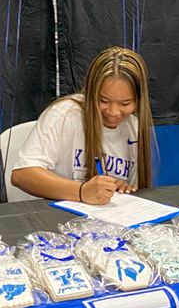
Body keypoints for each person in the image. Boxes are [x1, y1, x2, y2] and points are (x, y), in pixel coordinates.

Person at [11, 47, 154, 204]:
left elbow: (132, 190)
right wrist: (81, 191)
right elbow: (22, 175)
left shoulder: (133, 128)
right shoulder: (65, 114)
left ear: (139, 101)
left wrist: (118, 189)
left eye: (125, 103)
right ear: (90, 93)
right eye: (103, 101)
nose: (113, 112)